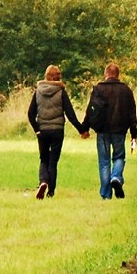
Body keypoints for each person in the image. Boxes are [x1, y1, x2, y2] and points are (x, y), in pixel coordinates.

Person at [27, 64, 89, 199]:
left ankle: (43, 182)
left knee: (44, 159)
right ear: (57, 77)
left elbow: (30, 114)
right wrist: (81, 130)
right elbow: (70, 114)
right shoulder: (61, 92)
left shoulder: (37, 92)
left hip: (42, 131)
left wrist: (37, 130)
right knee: (53, 161)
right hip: (57, 130)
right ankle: (51, 191)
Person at [81, 62, 137, 200]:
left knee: (104, 162)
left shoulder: (99, 89)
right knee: (119, 157)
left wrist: (85, 128)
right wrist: (134, 134)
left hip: (102, 130)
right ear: (118, 75)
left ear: (106, 74)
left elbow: (91, 110)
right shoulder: (126, 90)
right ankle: (116, 177)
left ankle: (106, 195)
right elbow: (132, 114)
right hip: (119, 130)